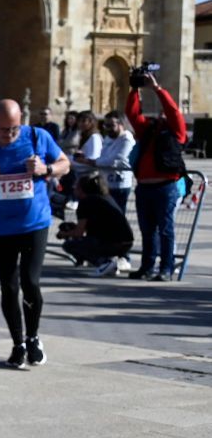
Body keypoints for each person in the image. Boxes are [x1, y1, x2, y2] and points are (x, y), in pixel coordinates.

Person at [0, 100, 70, 368]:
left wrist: (46, 170)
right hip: (1, 228)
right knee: (9, 287)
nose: (9, 135)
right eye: (3, 130)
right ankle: (17, 343)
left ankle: (33, 338)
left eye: (14, 129)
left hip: (35, 223)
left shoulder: (37, 137)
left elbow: (65, 162)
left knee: (30, 282)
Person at [125, 67, 187, 281]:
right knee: (147, 230)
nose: (161, 114)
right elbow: (133, 114)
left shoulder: (176, 132)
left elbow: (174, 112)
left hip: (165, 187)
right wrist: (135, 90)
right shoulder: (149, 129)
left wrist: (157, 89)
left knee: (165, 230)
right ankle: (147, 267)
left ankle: (166, 268)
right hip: (145, 187)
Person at [58, 174, 135, 275]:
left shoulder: (85, 202)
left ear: (82, 189)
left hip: (113, 243)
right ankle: (105, 262)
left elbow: (79, 233)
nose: (74, 188)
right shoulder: (105, 197)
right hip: (126, 242)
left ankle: (104, 262)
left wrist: (64, 234)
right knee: (89, 240)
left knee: (69, 245)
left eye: (77, 187)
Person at [87, 111, 135, 214]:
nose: (107, 128)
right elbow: (103, 156)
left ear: (121, 125)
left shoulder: (127, 139)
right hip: (105, 183)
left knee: (117, 215)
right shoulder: (108, 138)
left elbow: (114, 160)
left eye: (111, 125)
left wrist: (92, 162)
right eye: (106, 125)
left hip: (119, 184)